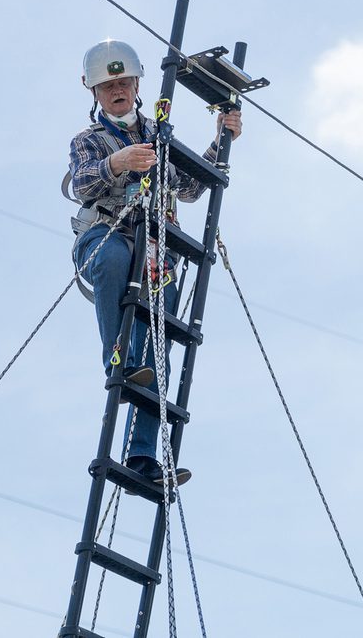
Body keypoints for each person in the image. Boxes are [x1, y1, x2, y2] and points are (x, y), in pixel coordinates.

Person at [67, 39, 242, 488]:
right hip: (106, 235)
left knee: (157, 343)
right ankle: (116, 362)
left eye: (124, 81)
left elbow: (188, 188)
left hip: (155, 251)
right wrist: (117, 162)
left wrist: (222, 138)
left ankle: (143, 455)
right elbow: (84, 183)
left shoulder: (159, 136)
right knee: (113, 259)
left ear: (138, 83)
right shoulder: (88, 140)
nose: (118, 90)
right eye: (109, 85)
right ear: (94, 92)